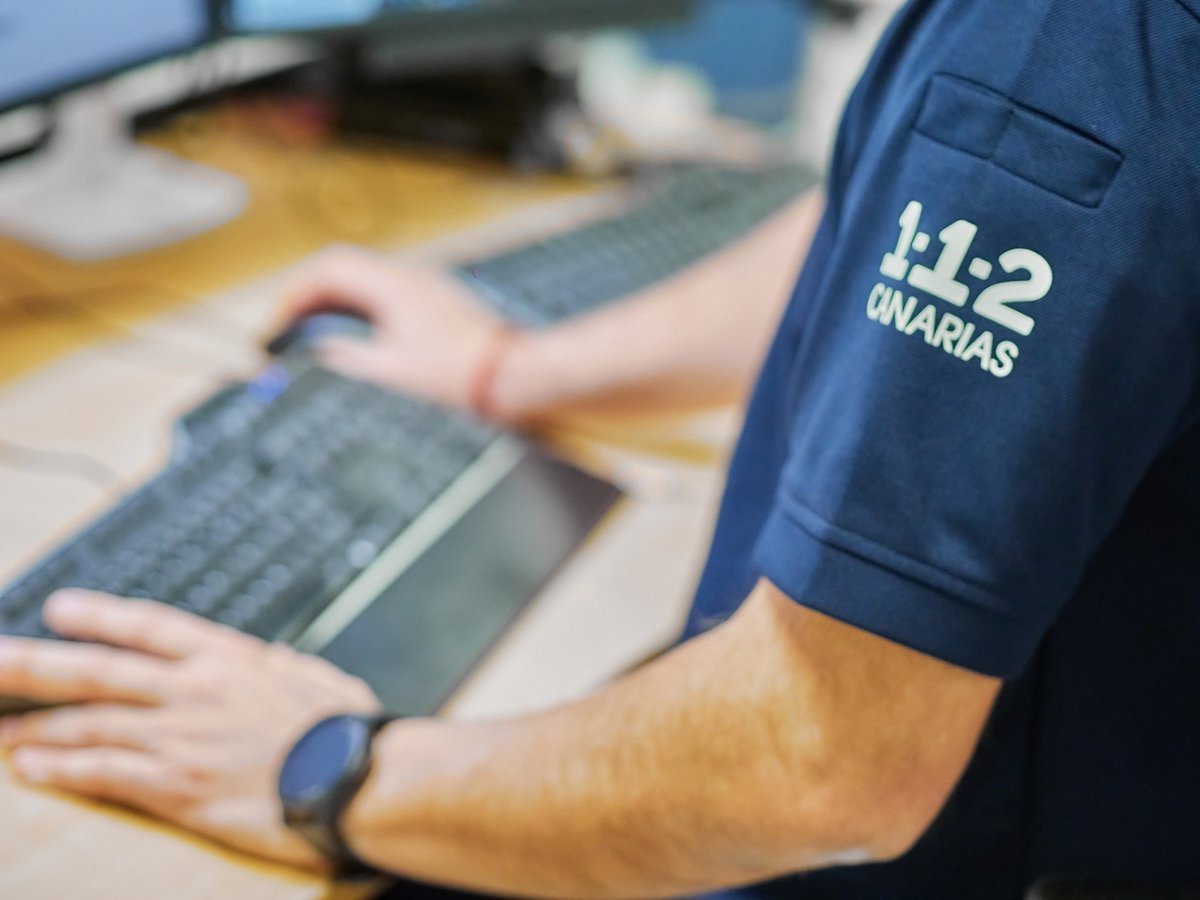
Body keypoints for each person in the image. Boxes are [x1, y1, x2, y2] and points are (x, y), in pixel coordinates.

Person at [2, 0, 1199, 896]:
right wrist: (510, 371)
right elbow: (877, 219)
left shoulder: (1078, 39)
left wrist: (328, 771)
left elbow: (821, 756)